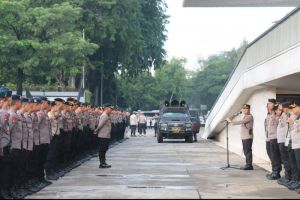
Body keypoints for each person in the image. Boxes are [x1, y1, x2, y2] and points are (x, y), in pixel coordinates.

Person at [227, 104, 254, 170]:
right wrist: (234, 115)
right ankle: (248, 164)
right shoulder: (245, 116)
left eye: (246, 108)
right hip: (244, 137)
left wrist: (230, 121)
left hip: (247, 137)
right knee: (246, 151)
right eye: (244, 109)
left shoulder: (249, 116)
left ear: (249, 109)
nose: (245, 110)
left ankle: (249, 165)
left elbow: (240, 122)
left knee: (247, 151)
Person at [276, 102, 292, 186]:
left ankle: (289, 177)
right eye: (283, 107)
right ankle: (287, 175)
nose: (284, 109)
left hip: (286, 140)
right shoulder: (283, 115)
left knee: (287, 159)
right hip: (281, 140)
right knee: (285, 159)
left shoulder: (290, 115)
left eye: (286, 107)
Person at [265, 99, 282, 180]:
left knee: (275, 155)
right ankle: (273, 170)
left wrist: (276, 112)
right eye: (268, 104)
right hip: (269, 138)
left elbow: (278, 122)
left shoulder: (276, 113)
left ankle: (276, 172)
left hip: (275, 137)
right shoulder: (269, 114)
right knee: (270, 154)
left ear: (274, 105)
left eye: (270, 103)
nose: (268, 105)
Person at [94, 103, 113, 169]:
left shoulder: (107, 115)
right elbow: (100, 125)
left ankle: (103, 162)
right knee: (102, 149)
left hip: (106, 135)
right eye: (110, 109)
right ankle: (102, 163)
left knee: (105, 148)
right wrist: (96, 130)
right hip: (103, 135)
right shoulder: (104, 115)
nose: (111, 110)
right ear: (107, 108)